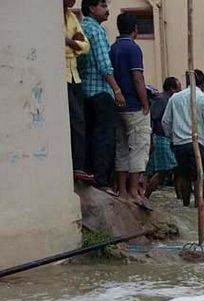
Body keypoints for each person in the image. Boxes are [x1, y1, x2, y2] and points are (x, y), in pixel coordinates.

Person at [79, 0, 124, 194]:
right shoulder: (96, 31)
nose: (107, 10)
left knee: (89, 134)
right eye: (103, 6)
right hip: (100, 90)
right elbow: (104, 64)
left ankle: (90, 174)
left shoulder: (81, 27)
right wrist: (116, 89)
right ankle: (102, 180)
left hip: (84, 90)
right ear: (91, 8)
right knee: (105, 136)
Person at [109, 12, 151, 206]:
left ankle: (123, 191)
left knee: (122, 146)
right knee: (139, 146)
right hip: (133, 104)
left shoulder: (113, 48)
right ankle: (134, 191)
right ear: (135, 29)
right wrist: (145, 103)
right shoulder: (133, 49)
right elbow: (137, 77)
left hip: (117, 105)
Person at [162, 69, 204, 207]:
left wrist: (172, 137)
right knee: (199, 176)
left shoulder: (175, 98)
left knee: (184, 176)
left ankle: (186, 204)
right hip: (199, 143)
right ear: (202, 83)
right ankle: (199, 205)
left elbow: (165, 122)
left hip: (180, 143)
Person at [64, 0, 93, 185]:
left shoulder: (72, 16)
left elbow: (85, 46)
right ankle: (75, 166)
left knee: (79, 121)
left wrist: (70, 43)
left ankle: (79, 167)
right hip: (62, 76)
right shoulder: (51, 18)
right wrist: (74, 43)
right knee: (74, 121)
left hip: (74, 75)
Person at [145, 76, 181, 199]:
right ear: (172, 89)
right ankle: (146, 196)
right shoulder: (161, 99)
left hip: (168, 138)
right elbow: (154, 117)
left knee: (175, 170)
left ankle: (180, 198)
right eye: (178, 89)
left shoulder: (170, 100)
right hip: (161, 137)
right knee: (163, 171)